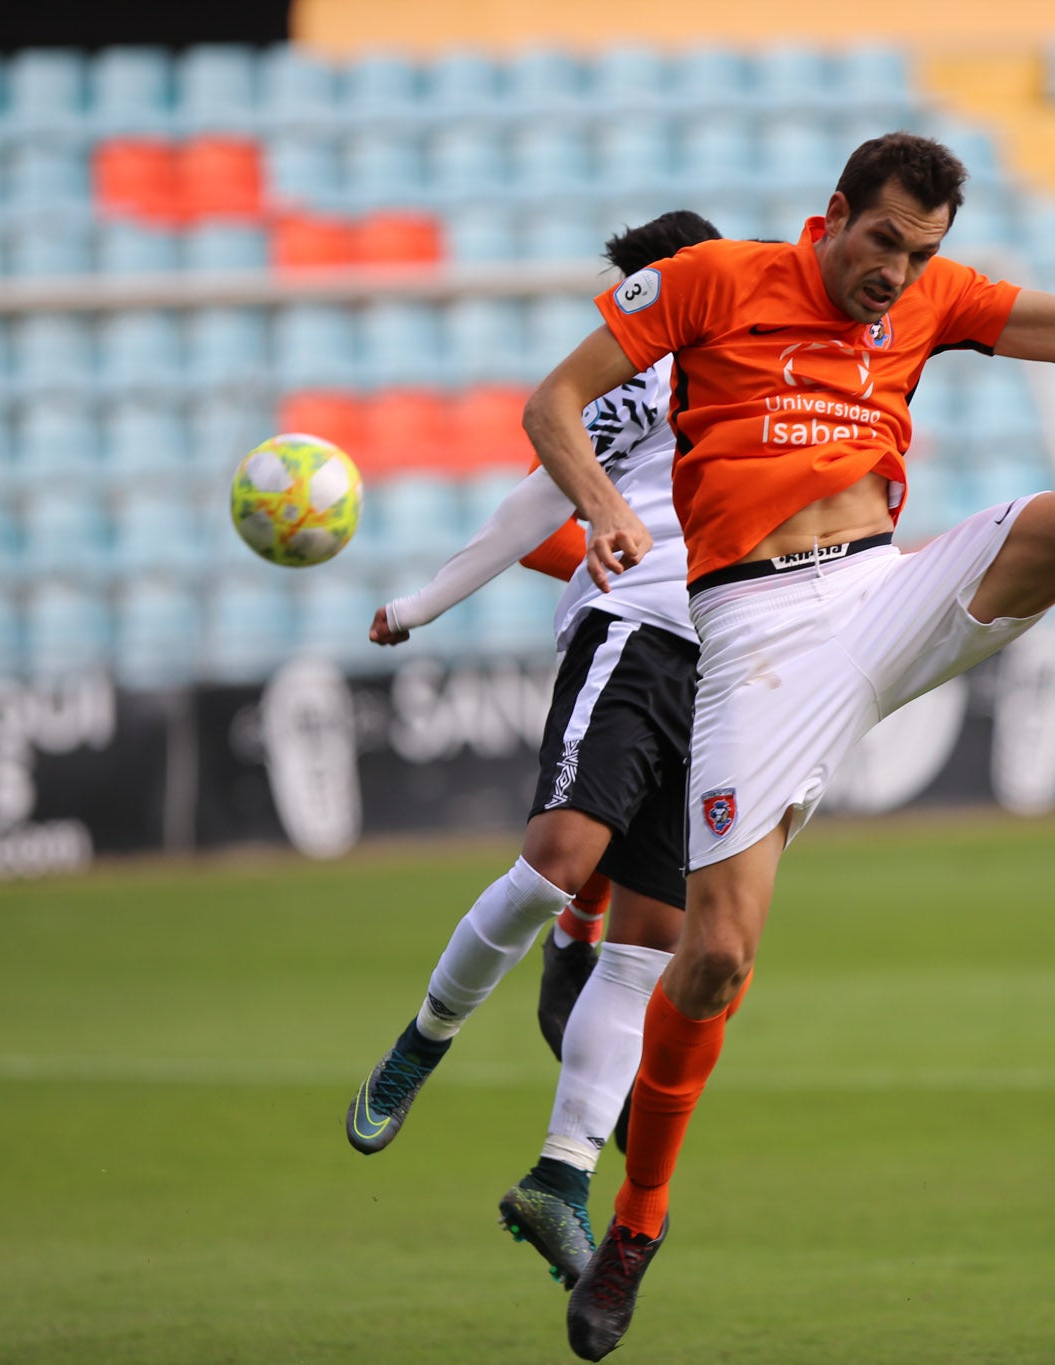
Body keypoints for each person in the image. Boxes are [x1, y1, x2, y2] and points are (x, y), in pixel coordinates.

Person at [519, 45, 1055, 1359]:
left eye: (917, 250)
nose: (891, 272)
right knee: (715, 959)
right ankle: (637, 1225)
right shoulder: (715, 282)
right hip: (757, 634)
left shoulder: (932, 301)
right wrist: (605, 511)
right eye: (878, 241)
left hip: (884, 588)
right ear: (830, 218)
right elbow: (553, 400)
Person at [343, 209, 724, 1289]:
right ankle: (424, 1040)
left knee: (649, 942)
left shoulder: (782, 373)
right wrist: (422, 603)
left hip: (736, 667)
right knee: (556, 862)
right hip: (640, 634)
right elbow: (533, 499)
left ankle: (559, 1177)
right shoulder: (628, 388)